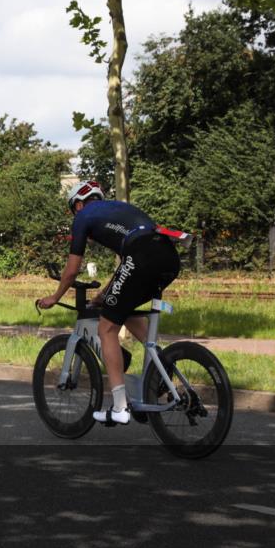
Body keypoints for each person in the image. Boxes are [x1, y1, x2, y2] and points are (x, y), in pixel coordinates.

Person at [37, 181, 181, 424]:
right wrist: (105, 295)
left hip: (142, 256)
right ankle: (162, 378)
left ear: (79, 204)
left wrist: (55, 296)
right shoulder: (117, 209)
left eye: (74, 209)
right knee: (124, 310)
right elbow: (128, 268)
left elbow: (72, 270)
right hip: (168, 257)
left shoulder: (83, 216)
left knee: (106, 328)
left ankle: (120, 407)